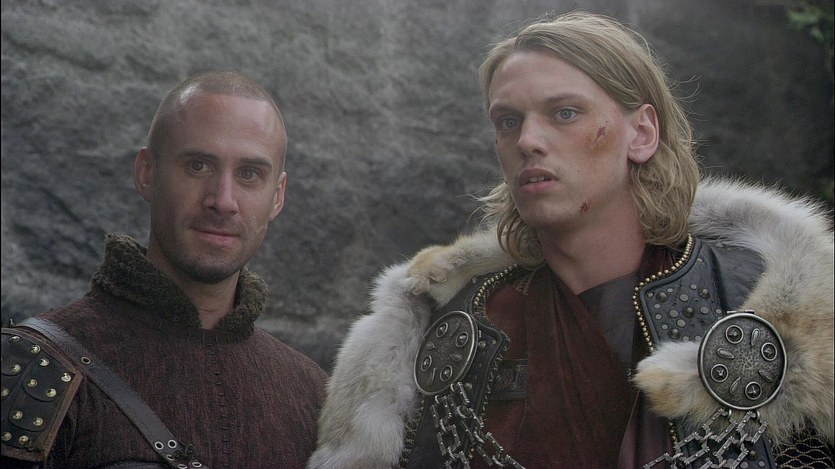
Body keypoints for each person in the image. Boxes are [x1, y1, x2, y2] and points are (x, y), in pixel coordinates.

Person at [308, 11, 834, 469]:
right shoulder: (448, 327)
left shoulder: (761, 304)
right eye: (508, 121)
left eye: (565, 113)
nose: (528, 141)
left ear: (641, 134)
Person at [1, 70, 327, 468]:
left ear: (276, 197)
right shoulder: (36, 367)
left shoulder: (315, 398)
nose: (223, 200)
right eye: (198, 166)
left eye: (249, 174)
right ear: (147, 172)